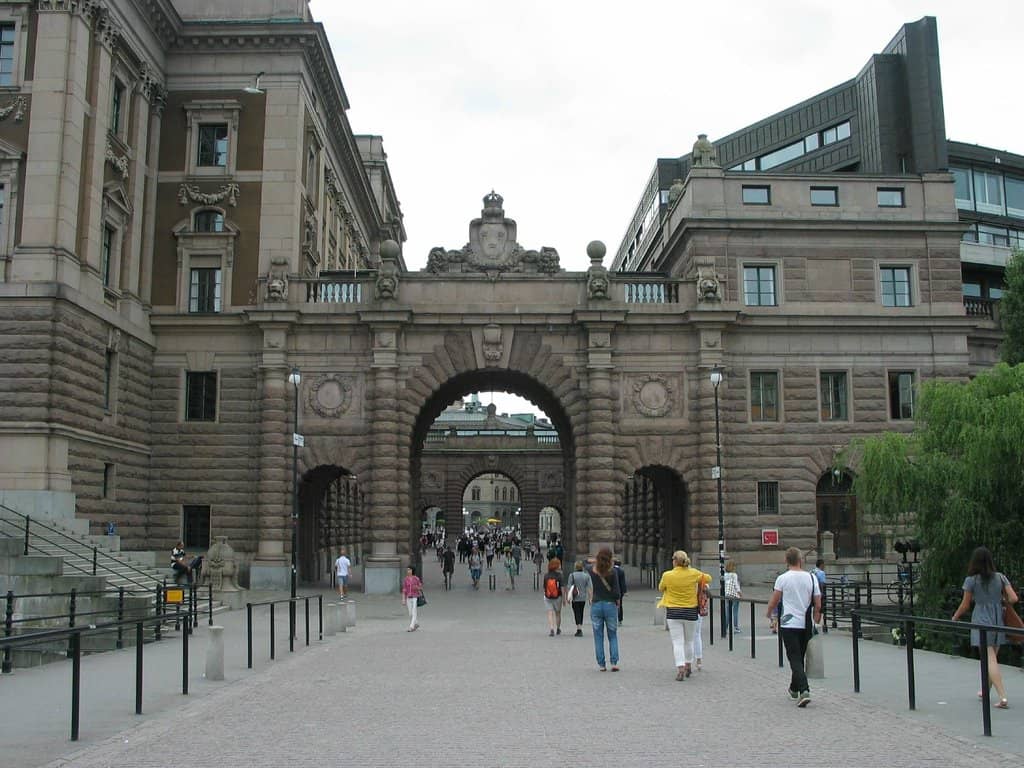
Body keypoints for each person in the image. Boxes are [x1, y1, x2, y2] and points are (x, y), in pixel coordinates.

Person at [952, 546, 1019, 708]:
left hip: (981, 619)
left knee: (989, 658)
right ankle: (985, 690)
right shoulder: (1000, 577)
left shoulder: (971, 580)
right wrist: (1000, 602)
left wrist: (955, 616)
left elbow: (965, 605)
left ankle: (1002, 697)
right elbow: (1013, 598)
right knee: (992, 658)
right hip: (998, 619)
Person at [765, 547, 821, 707]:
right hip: (806, 623)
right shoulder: (811, 578)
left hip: (789, 623)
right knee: (799, 656)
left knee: (794, 658)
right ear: (800, 560)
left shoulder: (782, 578)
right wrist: (816, 620)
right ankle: (793, 689)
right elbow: (818, 603)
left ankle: (804, 690)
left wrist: (769, 613)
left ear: (786, 560)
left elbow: (775, 600)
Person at [657, 550, 711, 681]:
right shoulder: (693, 573)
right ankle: (688, 665)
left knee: (677, 642)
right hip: (690, 611)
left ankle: (680, 668)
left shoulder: (667, 575)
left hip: (673, 612)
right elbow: (708, 578)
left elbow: (661, 588)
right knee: (689, 641)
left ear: (675, 561)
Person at [589, 547, 621, 671]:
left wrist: (594, 560)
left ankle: (601, 664)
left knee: (598, 636)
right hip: (610, 605)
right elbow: (617, 592)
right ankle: (614, 662)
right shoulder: (613, 572)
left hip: (596, 605)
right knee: (612, 635)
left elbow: (585, 562)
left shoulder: (592, 571)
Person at [565, 560, 593, 637]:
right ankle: (580, 626)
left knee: (576, 612)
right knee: (581, 612)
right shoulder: (586, 576)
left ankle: (579, 628)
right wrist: (590, 598)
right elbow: (590, 588)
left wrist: (568, 597)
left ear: (575, 567)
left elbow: (569, 586)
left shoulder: (572, 575)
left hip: (575, 597)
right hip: (583, 597)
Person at [543, 558, 564, 636]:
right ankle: (558, 628)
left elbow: (544, 587)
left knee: (550, 613)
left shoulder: (546, 575)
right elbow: (562, 587)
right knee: (558, 613)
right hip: (558, 597)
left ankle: (551, 628)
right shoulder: (560, 575)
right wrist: (564, 598)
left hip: (548, 597)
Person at [401, 566, 423, 632]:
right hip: (408, 597)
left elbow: (420, 587)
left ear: (412, 571)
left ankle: (411, 627)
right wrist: (403, 599)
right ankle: (416, 623)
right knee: (410, 613)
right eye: (407, 570)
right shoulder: (406, 579)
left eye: (409, 570)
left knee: (414, 611)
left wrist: (417, 587)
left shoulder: (416, 578)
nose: (408, 571)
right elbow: (404, 589)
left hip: (415, 597)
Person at [724, 559, 742, 633]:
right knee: (735, 611)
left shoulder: (725, 575)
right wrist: (739, 592)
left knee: (728, 611)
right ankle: (736, 627)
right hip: (734, 595)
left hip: (727, 594)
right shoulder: (734, 575)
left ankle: (725, 627)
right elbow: (736, 585)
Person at [812, 558, 827, 626]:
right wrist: (822, 593)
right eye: (824, 565)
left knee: (814, 608)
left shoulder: (812, 571)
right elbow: (822, 583)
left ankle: (813, 622)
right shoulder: (821, 573)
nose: (824, 566)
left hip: (811, 593)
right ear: (821, 565)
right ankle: (816, 624)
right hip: (818, 593)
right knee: (819, 608)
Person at [614, 558, 628, 623]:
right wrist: (625, 591)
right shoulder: (621, 571)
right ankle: (620, 619)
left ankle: (613, 617)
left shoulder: (611, 570)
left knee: (612, 605)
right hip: (620, 591)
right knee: (620, 605)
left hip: (612, 591)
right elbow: (623, 582)